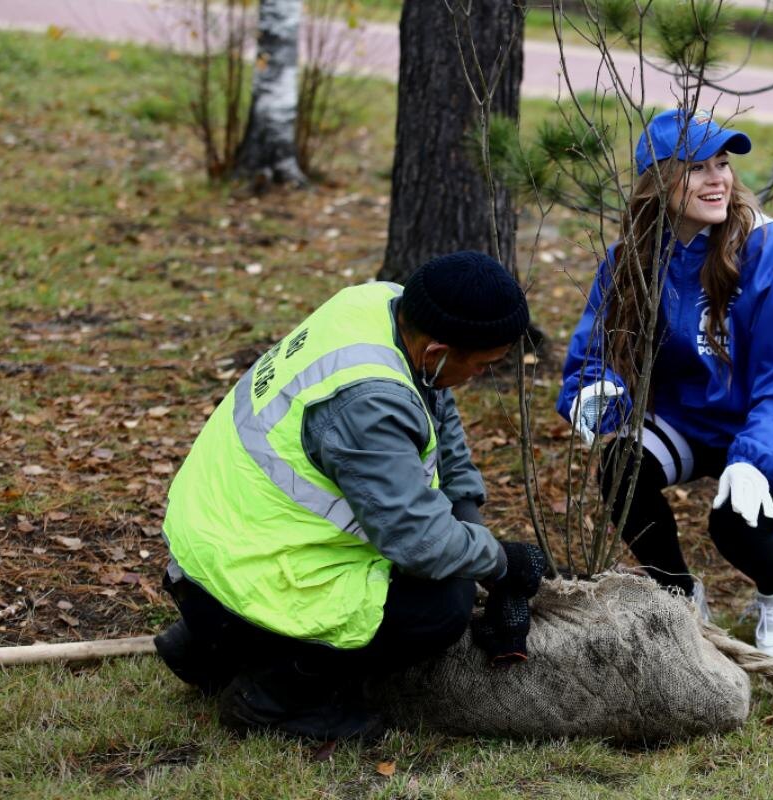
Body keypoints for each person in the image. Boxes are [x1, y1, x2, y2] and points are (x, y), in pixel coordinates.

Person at [154, 250, 546, 739]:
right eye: (482, 365)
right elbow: (419, 543)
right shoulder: (369, 403)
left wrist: (469, 516)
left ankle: (205, 648)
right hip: (240, 574)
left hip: (219, 544)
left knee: (452, 565)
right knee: (442, 605)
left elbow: (439, 416)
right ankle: (271, 698)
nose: (481, 376)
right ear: (437, 352)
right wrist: (501, 563)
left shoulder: (379, 305)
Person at [556, 109, 773, 662]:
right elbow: (600, 347)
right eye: (696, 168)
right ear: (658, 180)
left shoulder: (769, 251)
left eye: (723, 164)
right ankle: (679, 595)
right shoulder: (633, 258)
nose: (718, 179)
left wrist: (757, 456)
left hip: (769, 421)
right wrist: (594, 394)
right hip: (688, 420)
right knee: (622, 471)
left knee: (734, 523)